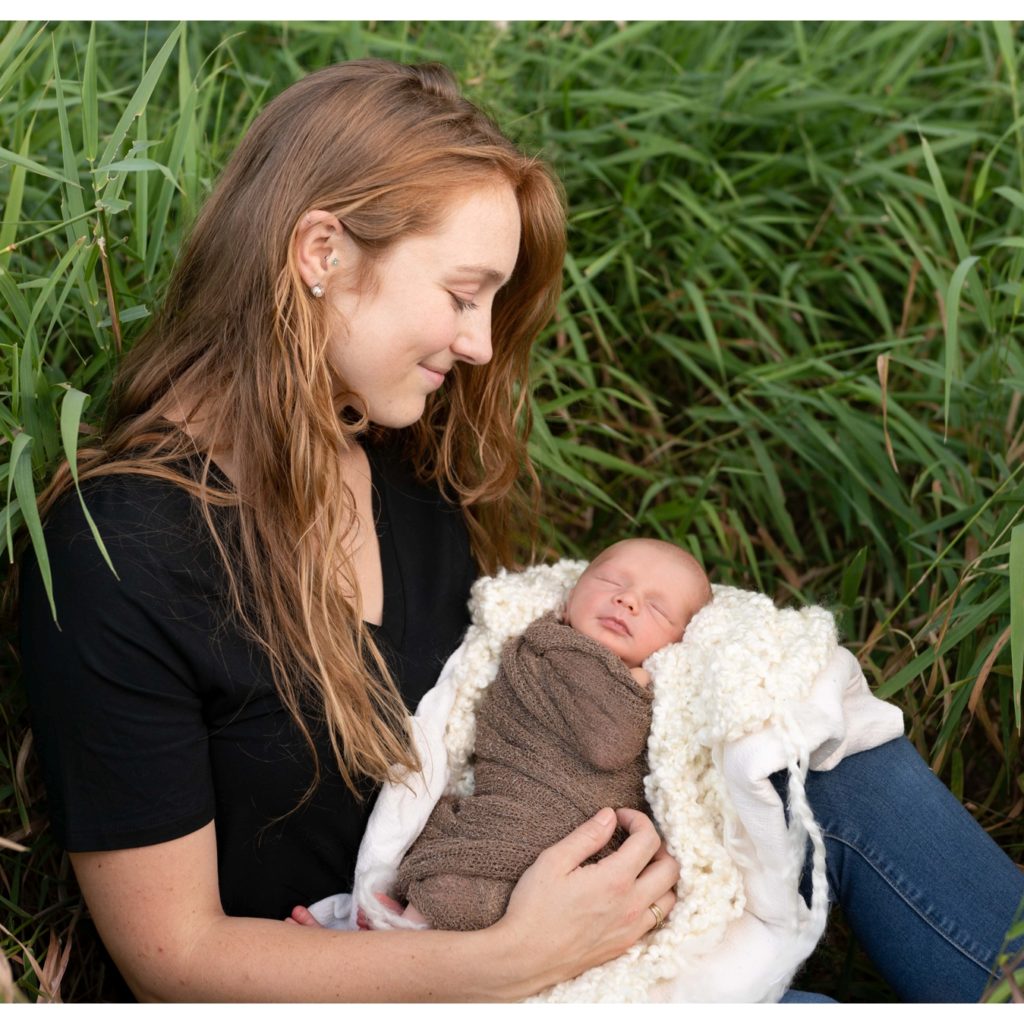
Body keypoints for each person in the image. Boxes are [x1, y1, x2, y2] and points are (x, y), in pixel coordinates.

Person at [14, 58, 1023, 1003]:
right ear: (320, 252)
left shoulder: (403, 467)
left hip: (547, 898)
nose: (479, 342)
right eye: (461, 295)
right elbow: (174, 959)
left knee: (829, 750)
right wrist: (505, 957)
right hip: (401, 975)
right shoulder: (121, 547)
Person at [394, 539, 711, 930]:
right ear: (572, 594)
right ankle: (399, 933)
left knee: (464, 887)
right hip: (510, 815)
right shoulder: (540, 649)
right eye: (612, 581)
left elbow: (617, 749)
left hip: (574, 841)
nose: (627, 600)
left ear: (680, 644)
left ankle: (402, 930)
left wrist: (637, 686)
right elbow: (608, 743)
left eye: (658, 608)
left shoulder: (672, 696)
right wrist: (632, 687)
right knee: (453, 873)